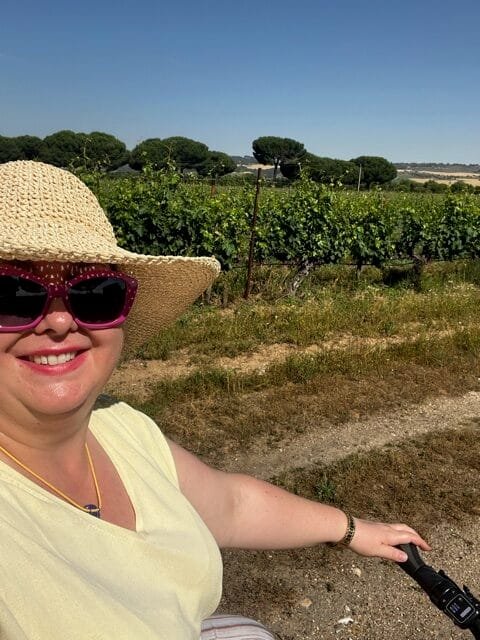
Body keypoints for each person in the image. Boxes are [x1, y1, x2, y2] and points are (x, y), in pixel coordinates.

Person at [0, 160, 430, 640]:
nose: (60, 321)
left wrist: (351, 529)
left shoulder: (120, 426)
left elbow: (231, 505)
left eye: (95, 292)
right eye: (12, 294)